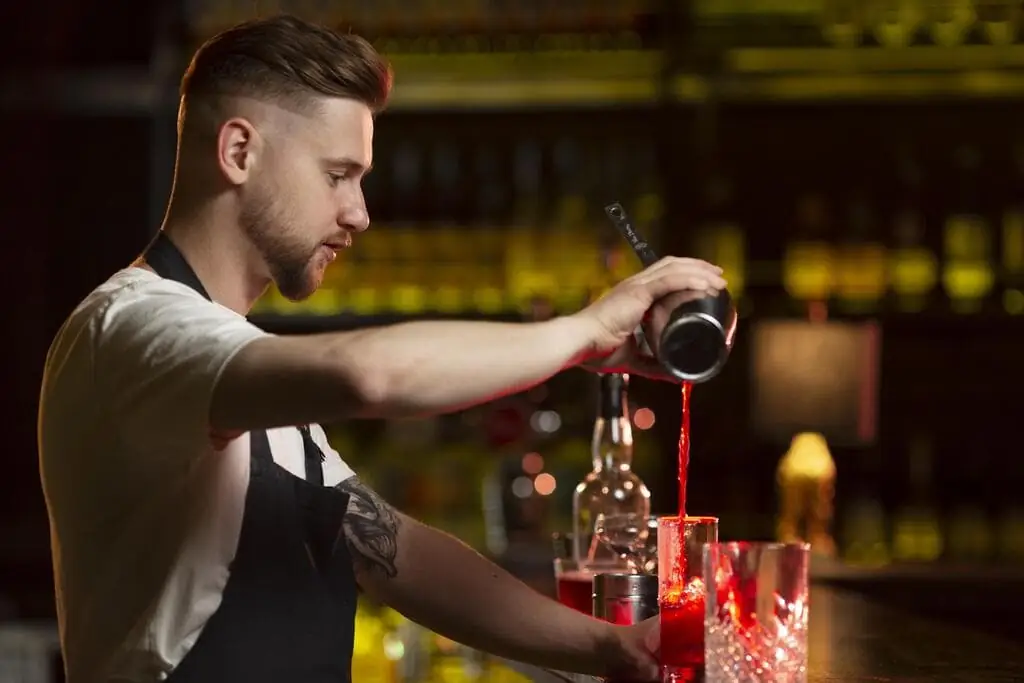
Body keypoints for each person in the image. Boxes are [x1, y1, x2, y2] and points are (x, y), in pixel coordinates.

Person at [37, 14, 728, 683]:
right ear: (239, 152)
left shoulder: (248, 381)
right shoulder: (131, 329)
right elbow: (368, 375)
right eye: (337, 174)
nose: (359, 213)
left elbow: (393, 553)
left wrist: (615, 648)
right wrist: (586, 332)